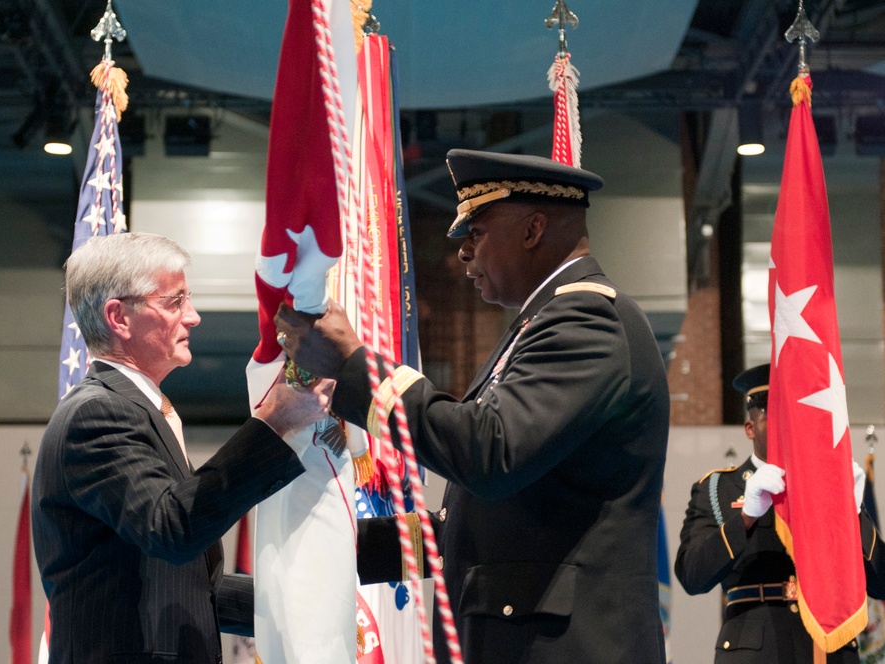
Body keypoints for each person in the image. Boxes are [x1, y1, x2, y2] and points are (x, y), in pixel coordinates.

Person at [276, 149, 671, 663]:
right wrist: (339, 546)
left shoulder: (587, 322)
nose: (463, 252)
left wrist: (357, 367)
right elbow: (483, 522)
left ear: (532, 230)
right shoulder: (544, 323)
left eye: (476, 232)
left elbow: (489, 453)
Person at [32, 232, 333, 664]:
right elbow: (172, 528)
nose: (192, 317)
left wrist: (317, 600)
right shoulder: (96, 414)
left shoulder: (138, 410)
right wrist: (274, 422)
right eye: (174, 302)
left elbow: (191, 586)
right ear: (118, 317)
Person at [674, 363, 885, 662]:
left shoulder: (830, 484)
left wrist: (853, 515)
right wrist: (746, 516)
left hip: (829, 650)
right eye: (773, 414)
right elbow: (692, 575)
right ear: (750, 428)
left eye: (794, 414)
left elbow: (881, 583)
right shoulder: (718, 487)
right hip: (755, 651)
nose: (786, 424)